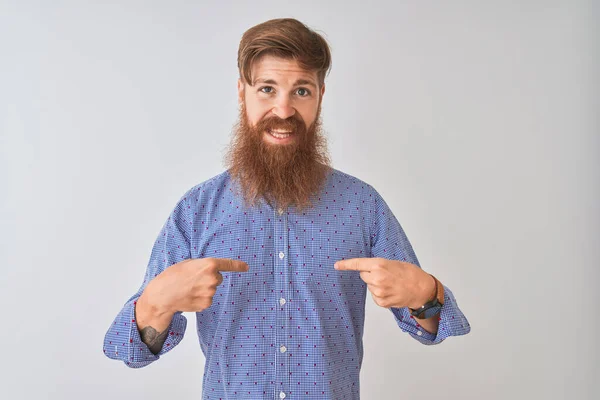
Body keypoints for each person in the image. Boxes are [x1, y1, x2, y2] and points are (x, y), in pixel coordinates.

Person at [103, 18, 470, 399]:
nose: (284, 109)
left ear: (321, 96)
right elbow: (127, 349)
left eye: (301, 91)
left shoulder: (363, 205)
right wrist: (156, 303)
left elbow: (437, 327)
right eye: (267, 89)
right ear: (241, 92)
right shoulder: (197, 210)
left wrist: (426, 293)